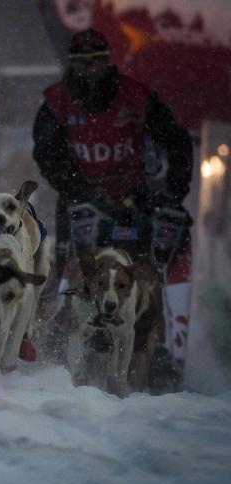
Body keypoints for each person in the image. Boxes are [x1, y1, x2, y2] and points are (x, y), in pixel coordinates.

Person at [32, 28, 193, 390]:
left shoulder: (135, 97)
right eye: (83, 63)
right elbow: (46, 153)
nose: (91, 69)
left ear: (108, 61)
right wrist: (77, 188)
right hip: (81, 200)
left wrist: (173, 194)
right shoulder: (56, 103)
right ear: (72, 65)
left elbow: (177, 139)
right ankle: (54, 334)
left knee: (170, 248)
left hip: (135, 199)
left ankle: (169, 347)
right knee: (66, 260)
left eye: (98, 61)